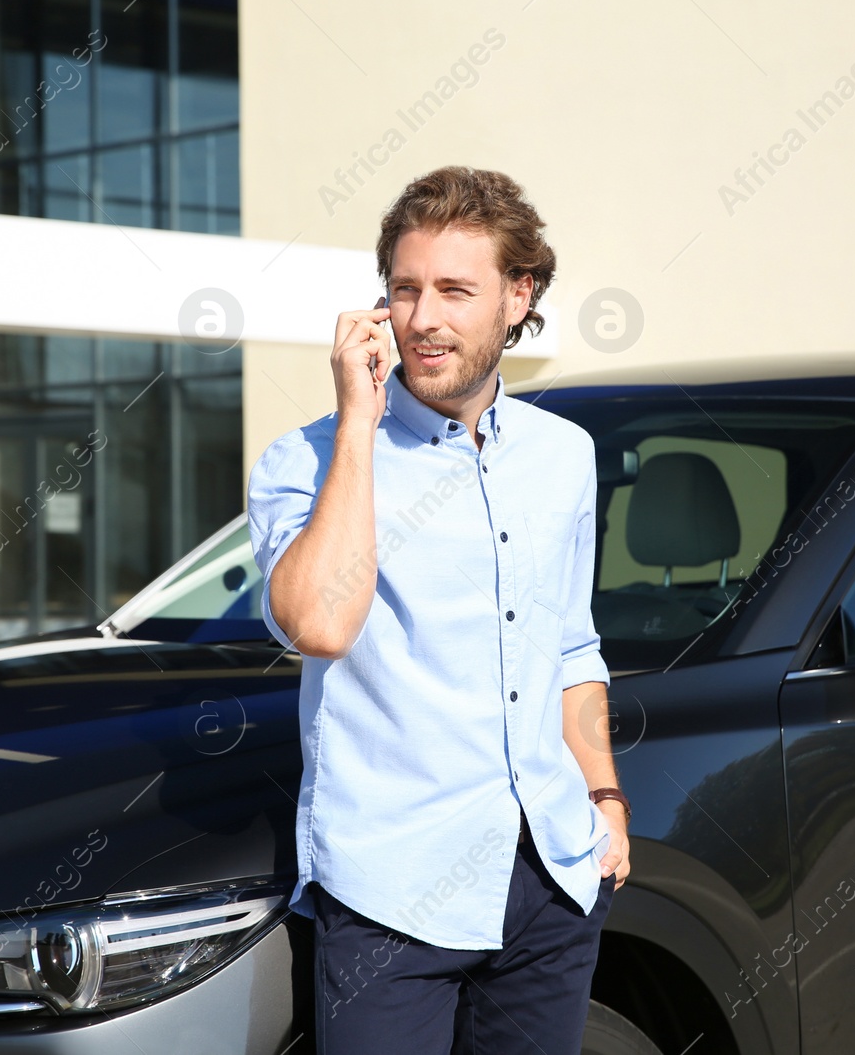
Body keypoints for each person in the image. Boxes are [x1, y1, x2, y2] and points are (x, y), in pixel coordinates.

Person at [246, 164, 630, 1054]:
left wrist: (604, 795)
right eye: (406, 289)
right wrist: (356, 423)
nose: (424, 318)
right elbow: (319, 624)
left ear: (517, 296)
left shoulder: (564, 454)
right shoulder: (305, 461)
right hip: (393, 897)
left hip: (551, 878)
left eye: (456, 290)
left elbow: (570, 642)